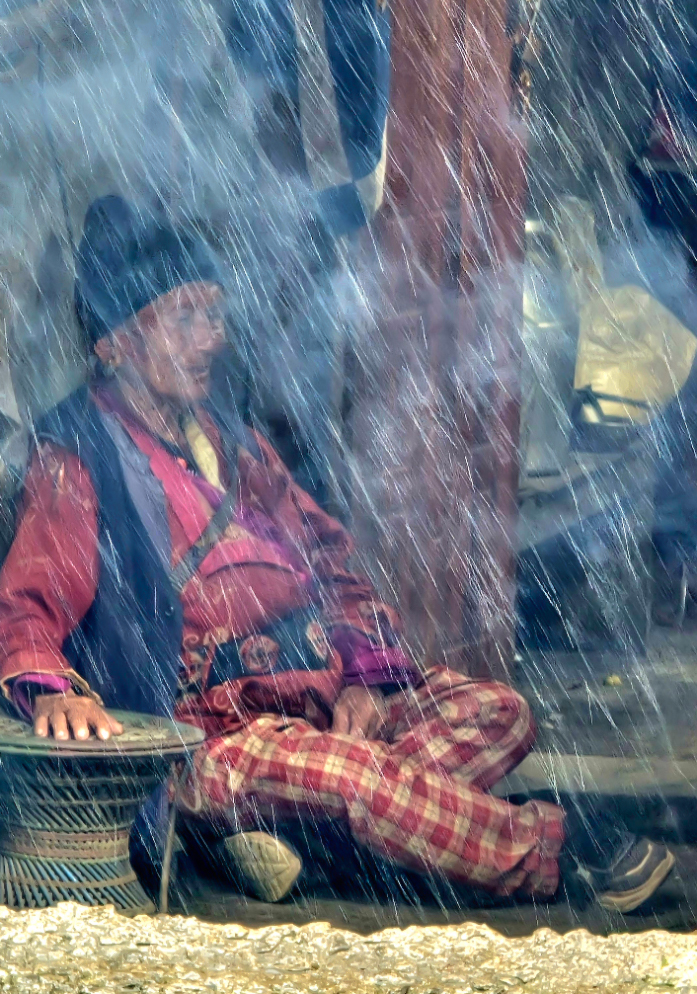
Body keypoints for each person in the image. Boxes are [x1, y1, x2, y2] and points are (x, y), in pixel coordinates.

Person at [0, 197, 675, 912]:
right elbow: (27, 600)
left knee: (498, 712)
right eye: (186, 318)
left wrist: (361, 680)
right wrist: (54, 693)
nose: (211, 339)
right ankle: (562, 852)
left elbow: (331, 560)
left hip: (317, 704)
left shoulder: (231, 443)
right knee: (357, 777)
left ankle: (310, 840)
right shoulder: (80, 460)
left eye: (216, 315)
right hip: (207, 742)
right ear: (114, 344)